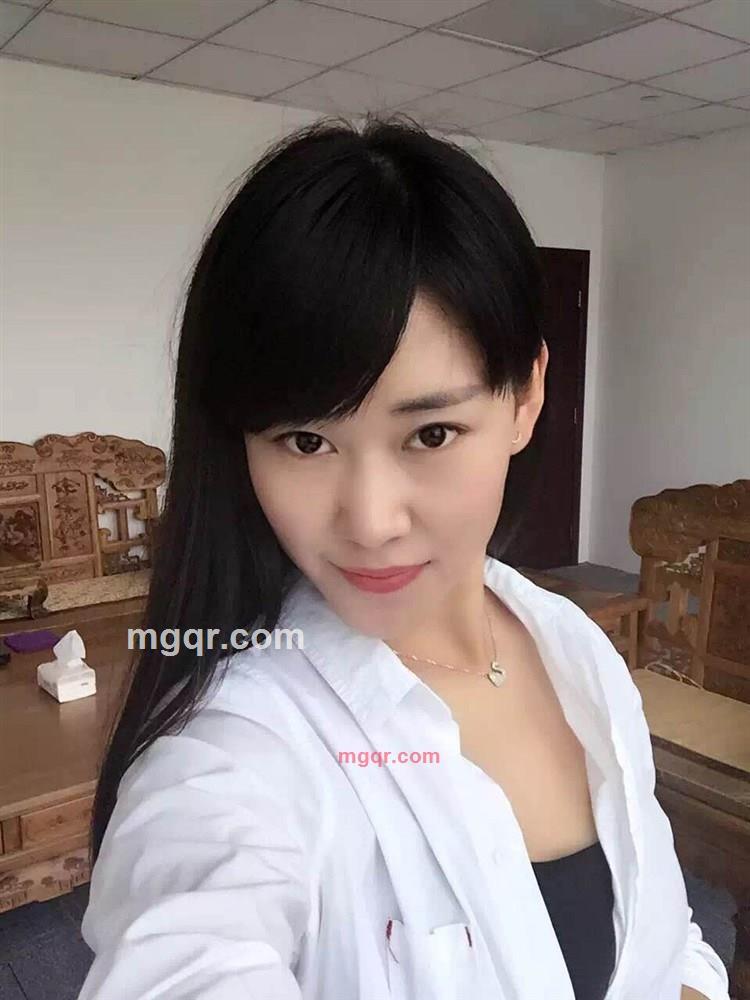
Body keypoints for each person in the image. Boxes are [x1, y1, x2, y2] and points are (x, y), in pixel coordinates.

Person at [78, 114, 730, 1000]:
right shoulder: (237, 754)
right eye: (306, 441)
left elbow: (662, 935)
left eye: (431, 433)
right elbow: (183, 952)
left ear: (526, 399)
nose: (371, 522)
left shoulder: (574, 648)